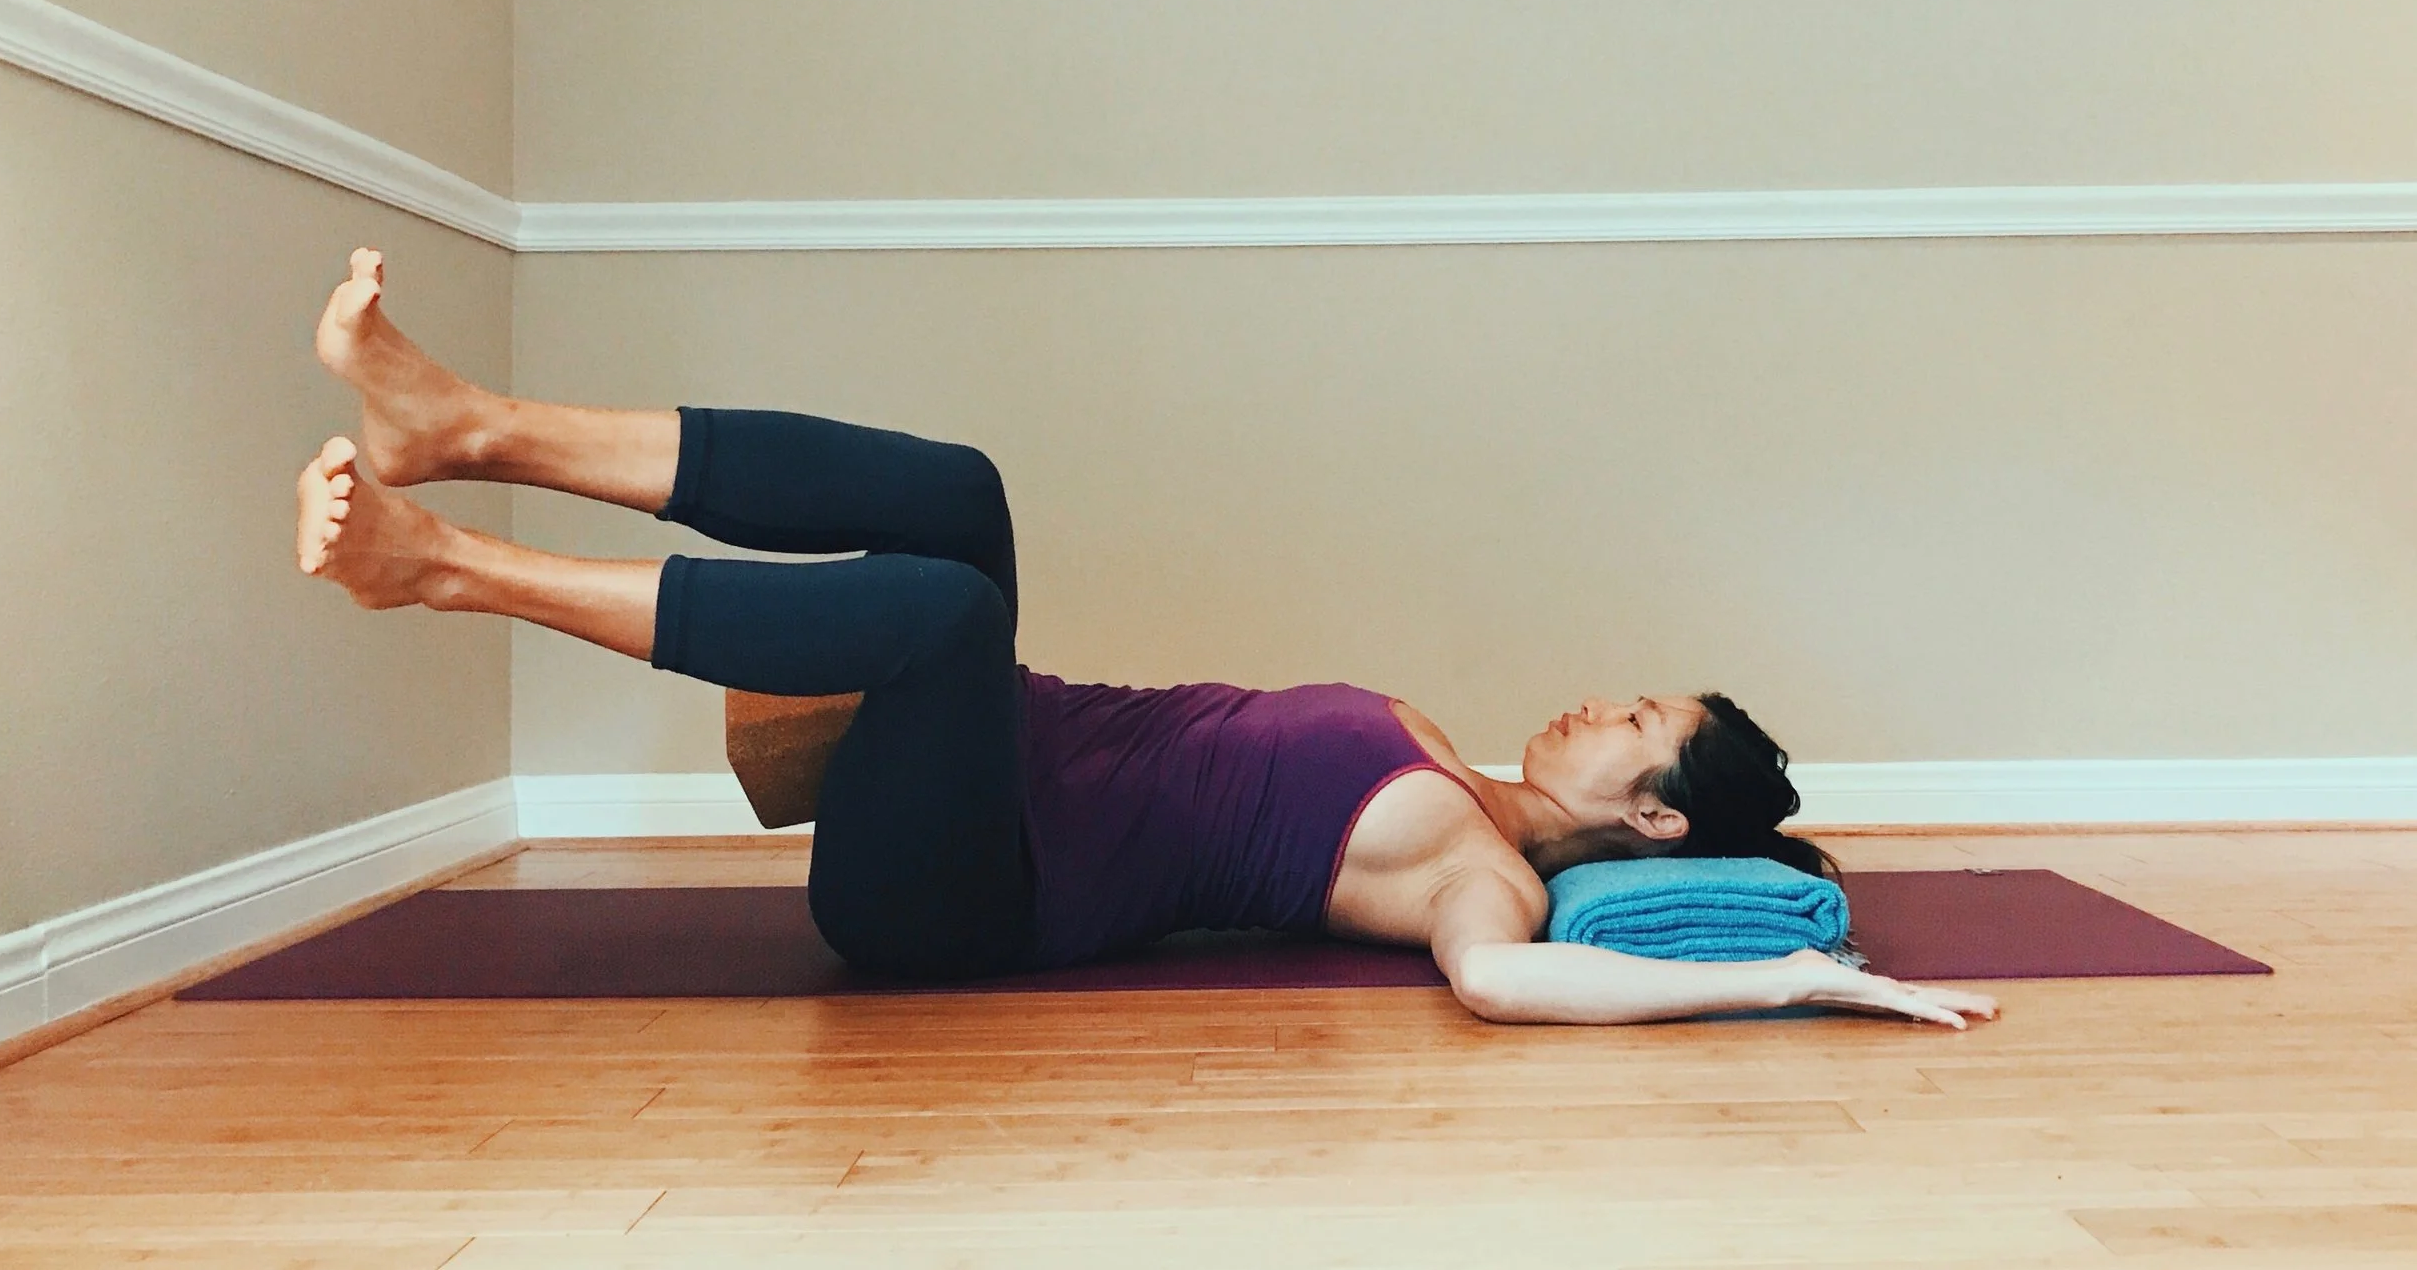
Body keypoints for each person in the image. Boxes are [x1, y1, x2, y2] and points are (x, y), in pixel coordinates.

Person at [297, 248, 1996, 1030]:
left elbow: (1499, 984)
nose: (1594, 701)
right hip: (977, 765)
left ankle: (439, 566)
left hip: (956, 899)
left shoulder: (1484, 879)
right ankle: (468, 426)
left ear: (1657, 814)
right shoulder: (1454, 770)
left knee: (947, 607)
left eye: (1634, 719)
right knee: (962, 495)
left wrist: (1791, 975)